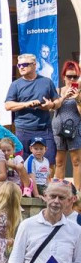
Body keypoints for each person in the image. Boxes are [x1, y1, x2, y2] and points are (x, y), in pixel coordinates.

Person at [6, 52, 60, 167]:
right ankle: (27, 186)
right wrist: (26, 104)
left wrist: (51, 105)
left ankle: (47, 185)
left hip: (44, 129)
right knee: (23, 164)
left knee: (49, 163)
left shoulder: (46, 82)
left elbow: (57, 101)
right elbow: (8, 105)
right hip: (23, 130)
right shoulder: (15, 85)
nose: (21, 67)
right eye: (19, 65)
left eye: (25, 64)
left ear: (34, 65)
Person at [52, 61, 81, 190]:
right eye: (69, 76)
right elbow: (54, 107)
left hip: (75, 130)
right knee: (59, 162)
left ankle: (78, 192)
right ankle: (59, 190)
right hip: (58, 130)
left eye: (75, 77)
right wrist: (64, 96)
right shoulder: (57, 91)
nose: (72, 79)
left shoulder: (79, 93)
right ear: (64, 77)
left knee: (76, 161)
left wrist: (77, 99)